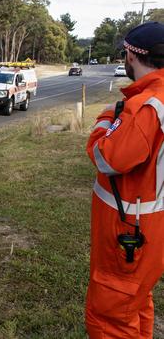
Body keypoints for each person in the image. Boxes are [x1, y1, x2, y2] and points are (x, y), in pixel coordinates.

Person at [86, 21, 164, 338]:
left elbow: (108, 157)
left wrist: (105, 121)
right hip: (147, 224)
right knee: (135, 302)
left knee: (111, 317)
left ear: (131, 56)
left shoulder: (145, 106)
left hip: (130, 229)